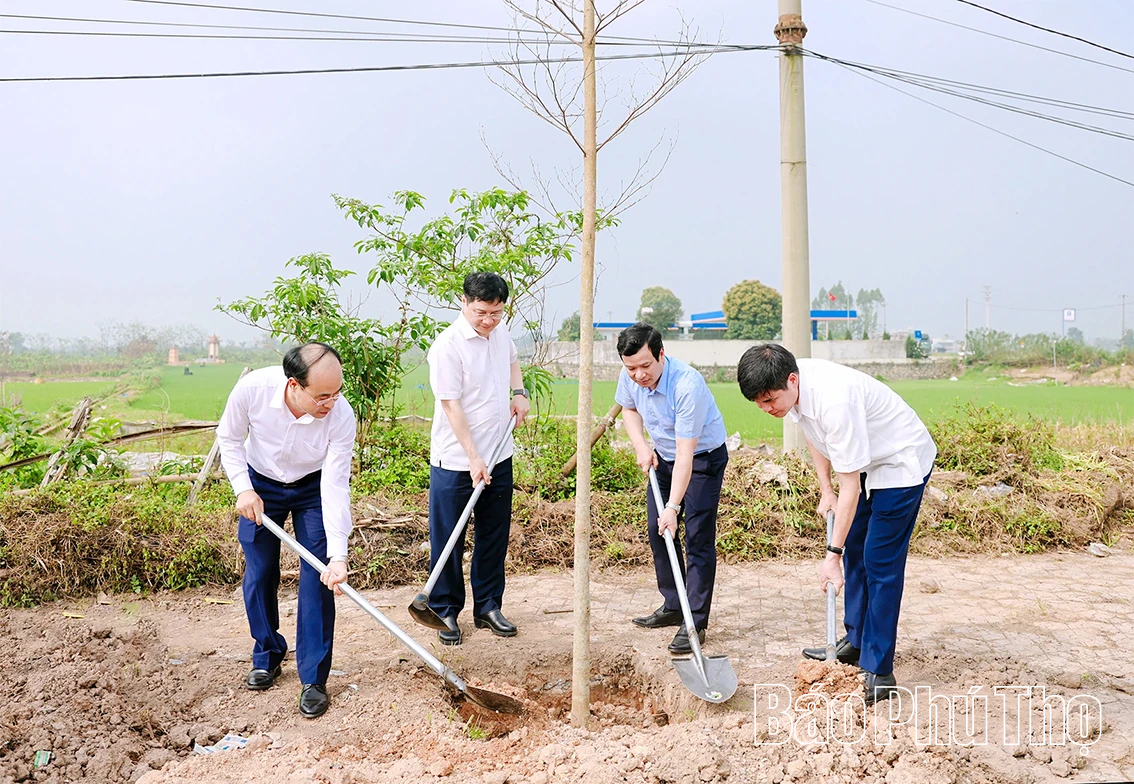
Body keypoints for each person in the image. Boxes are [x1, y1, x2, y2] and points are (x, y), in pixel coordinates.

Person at [737, 343, 936, 704]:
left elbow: (852, 488)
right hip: (864, 462)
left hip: (900, 462)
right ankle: (856, 641)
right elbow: (817, 438)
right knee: (857, 550)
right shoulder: (794, 391)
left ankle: (880, 669)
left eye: (770, 400)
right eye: (759, 403)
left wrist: (831, 555)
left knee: (879, 561)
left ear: (792, 380)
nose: (767, 409)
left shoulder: (835, 400)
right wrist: (824, 488)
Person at [216, 342, 355, 719]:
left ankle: (313, 678)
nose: (331, 402)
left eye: (337, 392)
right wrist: (243, 488)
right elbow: (228, 438)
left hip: (313, 487)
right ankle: (268, 653)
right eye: (322, 395)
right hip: (260, 482)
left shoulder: (341, 415)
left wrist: (338, 556)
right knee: (260, 572)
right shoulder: (253, 391)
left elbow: (336, 484)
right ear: (294, 385)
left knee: (318, 575)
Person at [426, 272, 530, 646]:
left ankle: (488, 605)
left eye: (497, 313)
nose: (488, 321)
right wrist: (473, 457)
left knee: (493, 535)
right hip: (456, 460)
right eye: (482, 312)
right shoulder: (447, 347)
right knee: (449, 538)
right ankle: (444, 610)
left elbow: (514, 360)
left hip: (500, 453)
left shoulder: (500, 332)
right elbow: (451, 406)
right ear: (464, 302)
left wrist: (518, 392)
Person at [615, 323, 729, 655]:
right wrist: (640, 446)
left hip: (701, 460)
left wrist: (674, 507)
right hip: (662, 458)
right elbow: (629, 408)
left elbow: (686, 455)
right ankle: (673, 604)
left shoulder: (686, 385)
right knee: (658, 531)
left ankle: (695, 620)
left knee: (697, 538)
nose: (638, 375)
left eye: (645, 366)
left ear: (661, 354)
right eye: (631, 368)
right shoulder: (631, 374)